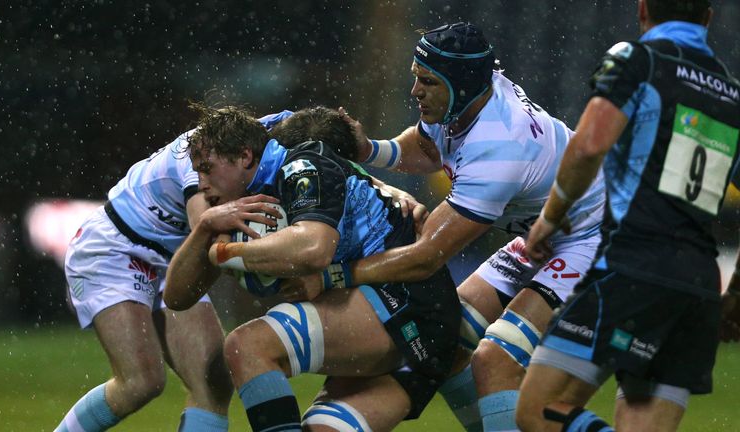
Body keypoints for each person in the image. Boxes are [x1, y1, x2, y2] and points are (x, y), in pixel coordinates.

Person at [289, 22, 607, 431]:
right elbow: (426, 149)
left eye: (427, 82)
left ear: (457, 82)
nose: (415, 92)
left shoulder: (498, 148)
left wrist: (336, 274)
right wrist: (369, 150)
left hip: (595, 239)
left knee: (495, 360)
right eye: (415, 78)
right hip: (545, 235)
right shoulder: (468, 96)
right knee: (449, 337)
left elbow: (424, 259)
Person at [163, 104, 462, 432]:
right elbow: (177, 296)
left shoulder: (300, 163)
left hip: (407, 301)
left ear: (245, 157)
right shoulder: (236, 207)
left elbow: (314, 247)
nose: (201, 184)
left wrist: (226, 254)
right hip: (407, 334)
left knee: (248, 346)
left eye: (207, 169)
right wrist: (205, 228)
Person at [516, 1, 740, 431]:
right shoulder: (731, 94)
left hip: (633, 266)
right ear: (708, 17)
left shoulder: (640, 60)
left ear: (642, 10)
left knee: (538, 410)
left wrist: (551, 214)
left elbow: (589, 144)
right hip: (697, 286)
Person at [57, 109, 288, 432]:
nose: (205, 180)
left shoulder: (262, 135)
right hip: (114, 248)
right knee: (140, 382)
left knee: (213, 382)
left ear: (244, 153)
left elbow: (308, 124)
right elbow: (205, 231)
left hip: (171, 255)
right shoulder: (196, 164)